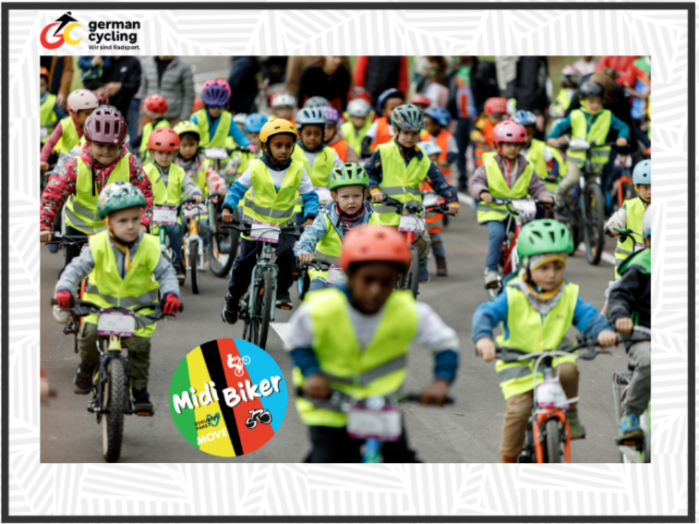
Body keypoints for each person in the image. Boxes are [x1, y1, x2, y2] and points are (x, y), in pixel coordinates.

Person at [286, 225, 459, 463]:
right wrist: (312, 374)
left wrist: (441, 380)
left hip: (381, 409)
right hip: (330, 408)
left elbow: (445, 342)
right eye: (367, 280)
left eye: (386, 282)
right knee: (329, 460)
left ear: (397, 279)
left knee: (403, 462)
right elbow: (297, 339)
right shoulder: (323, 307)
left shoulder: (406, 310)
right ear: (350, 275)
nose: (376, 290)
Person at [472, 219, 617, 463]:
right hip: (517, 359)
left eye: (558, 267)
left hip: (554, 354)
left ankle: (570, 414)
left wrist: (601, 331)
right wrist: (483, 338)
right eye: (544, 268)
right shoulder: (513, 293)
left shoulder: (567, 293)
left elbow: (588, 316)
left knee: (568, 370)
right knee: (519, 410)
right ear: (527, 266)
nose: (552, 274)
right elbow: (485, 313)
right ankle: (508, 461)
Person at [53, 182, 180, 412]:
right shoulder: (98, 244)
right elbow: (75, 269)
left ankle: (139, 389)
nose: (131, 226)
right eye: (122, 221)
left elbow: (166, 273)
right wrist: (64, 289)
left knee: (140, 347)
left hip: (137, 311)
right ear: (107, 222)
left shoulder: (149, 246)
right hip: (99, 307)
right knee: (87, 334)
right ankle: (86, 366)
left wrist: (171, 294)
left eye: (135, 219)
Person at [220, 119, 320, 320]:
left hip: (283, 227)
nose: (284, 150)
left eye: (288, 146)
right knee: (244, 263)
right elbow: (236, 189)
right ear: (265, 147)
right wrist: (227, 208)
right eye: (278, 145)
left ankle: (282, 291)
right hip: (254, 225)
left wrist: (310, 217)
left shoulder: (298, 169)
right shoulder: (255, 167)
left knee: (289, 253)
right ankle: (233, 297)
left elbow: (310, 196)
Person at [39, 108, 154, 264]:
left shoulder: (130, 163)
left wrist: (142, 223)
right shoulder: (75, 166)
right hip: (77, 228)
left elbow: (145, 192)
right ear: (89, 142)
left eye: (112, 146)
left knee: (121, 272)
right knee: (69, 273)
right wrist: (44, 226)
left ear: (120, 144)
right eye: (100, 145)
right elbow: (52, 194)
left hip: (114, 230)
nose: (106, 151)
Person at [365, 104, 460, 283]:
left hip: (411, 211)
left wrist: (451, 199)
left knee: (423, 240)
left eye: (415, 133)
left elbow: (438, 180)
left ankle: (420, 262)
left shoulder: (422, 157)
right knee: (380, 249)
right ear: (396, 131)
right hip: (385, 212)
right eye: (406, 132)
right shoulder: (383, 151)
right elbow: (368, 172)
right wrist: (374, 189)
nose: (410, 137)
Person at [467, 121, 554, 287]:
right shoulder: (489, 163)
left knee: (528, 236)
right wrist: (483, 192)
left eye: (517, 144)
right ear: (498, 145)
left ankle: (530, 268)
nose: (513, 148)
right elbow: (475, 182)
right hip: (494, 210)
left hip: (519, 211)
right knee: (497, 234)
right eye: (508, 144)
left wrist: (546, 197)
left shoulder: (527, 166)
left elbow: (537, 187)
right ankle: (491, 271)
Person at [294, 163, 380, 291]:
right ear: (334, 196)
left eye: (356, 196)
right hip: (324, 272)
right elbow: (311, 233)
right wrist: (304, 249)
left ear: (364, 193)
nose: (351, 201)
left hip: (359, 274)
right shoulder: (326, 216)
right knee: (314, 298)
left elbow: (381, 242)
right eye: (345, 196)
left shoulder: (372, 218)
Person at [547, 80, 630, 210]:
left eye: (598, 102)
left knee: (594, 184)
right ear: (583, 101)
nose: (595, 105)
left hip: (595, 158)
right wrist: (552, 137)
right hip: (576, 156)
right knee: (573, 178)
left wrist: (622, 137)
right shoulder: (575, 115)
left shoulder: (607, 115)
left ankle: (592, 214)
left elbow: (623, 126)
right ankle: (558, 195)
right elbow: (560, 126)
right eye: (591, 102)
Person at [608, 205, 651, 443]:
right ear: (647, 239)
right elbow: (618, 296)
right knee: (649, 361)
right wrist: (620, 316)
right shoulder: (640, 266)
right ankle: (631, 413)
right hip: (642, 334)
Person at [143, 127, 203, 279]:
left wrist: (195, 194)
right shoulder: (146, 171)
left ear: (175, 153)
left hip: (171, 215)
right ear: (152, 153)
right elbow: (137, 186)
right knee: (145, 238)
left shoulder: (178, 171)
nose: (164, 157)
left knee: (176, 231)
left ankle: (176, 263)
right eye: (160, 153)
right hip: (151, 215)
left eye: (169, 153)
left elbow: (188, 185)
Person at [605, 159, 650, 278]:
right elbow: (617, 218)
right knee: (618, 288)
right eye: (645, 187)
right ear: (637, 188)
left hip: (650, 261)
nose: (650, 192)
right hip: (627, 263)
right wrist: (613, 227)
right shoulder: (630, 206)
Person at [40, 89, 99, 171]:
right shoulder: (64, 124)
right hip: (64, 168)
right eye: (87, 113)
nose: (91, 117)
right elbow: (50, 143)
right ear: (74, 113)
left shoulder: (95, 126)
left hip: (85, 167)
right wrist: (42, 160)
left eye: (93, 113)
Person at [512, 110, 566, 196]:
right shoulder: (511, 149)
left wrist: (553, 174)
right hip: (517, 190)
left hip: (537, 189)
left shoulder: (540, 147)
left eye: (529, 133)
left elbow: (553, 162)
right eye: (522, 134)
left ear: (533, 132)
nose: (526, 137)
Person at [190, 79, 251, 148]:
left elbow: (238, 135)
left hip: (220, 154)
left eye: (220, 105)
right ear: (206, 105)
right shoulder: (197, 117)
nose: (216, 109)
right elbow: (187, 135)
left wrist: (249, 144)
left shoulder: (227, 118)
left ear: (225, 104)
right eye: (212, 106)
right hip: (200, 154)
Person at [418, 141, 448, 277]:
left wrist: (446, 201)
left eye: (435, 160)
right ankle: (421, 267)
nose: (433, 163)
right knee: (420, 246)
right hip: (418, 223)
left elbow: (446, 192)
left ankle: (441, 263)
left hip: (434, 223)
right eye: (430, 159)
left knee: (437, 243)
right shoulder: (414, 180)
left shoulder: (438, 180)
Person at [139, 56, 194, 127]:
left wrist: (183, 119)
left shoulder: (184, 66)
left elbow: (189, 95)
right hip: (150, 117)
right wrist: (142, 112)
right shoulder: (147, 63)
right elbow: (144, 90)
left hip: (173, 118)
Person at [421, 106, 459, 186]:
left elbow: (453, 153)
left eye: (428, 125)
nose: (426, 127)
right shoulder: (422, 137)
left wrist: (444, 163)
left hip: (444, 181)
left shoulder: (448, 137)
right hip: (425, 183)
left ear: (437, 125)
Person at [362, 88, 405, 156]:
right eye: (392, 109)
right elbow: (366, 141)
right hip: (380, 157)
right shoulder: (378, 123)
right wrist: (366, 151)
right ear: (384, 112)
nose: (398, 112)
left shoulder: (407, 125)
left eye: (401, 108)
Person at [226, 113, 268, 182]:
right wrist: (230, 169)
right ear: (248, 135)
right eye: (255, 136)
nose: (258, 139)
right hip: (245, 186)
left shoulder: (268, 152)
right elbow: (233, 162)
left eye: (261, 136)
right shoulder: (243, 151)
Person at [131, 94, 170, 164]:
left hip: (157, 164)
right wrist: (128, 144)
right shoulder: (148, 125)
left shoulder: (164, 126)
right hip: (144, 162)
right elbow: (140, 138)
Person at [470, 97, 507, 168]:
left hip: (497, 154)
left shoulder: (504, 124)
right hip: (483, 156)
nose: (498, 119)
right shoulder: (483, 122)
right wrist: (479, 137)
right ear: (488, 114)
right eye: (495, 116)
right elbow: (474, 131)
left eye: (500, 116)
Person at [40, 67, 67, 149]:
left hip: (48, 142)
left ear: (47, 85)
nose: (39, 88)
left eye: (42, 85)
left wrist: (54, 144)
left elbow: (64, 120)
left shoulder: (53, 100)